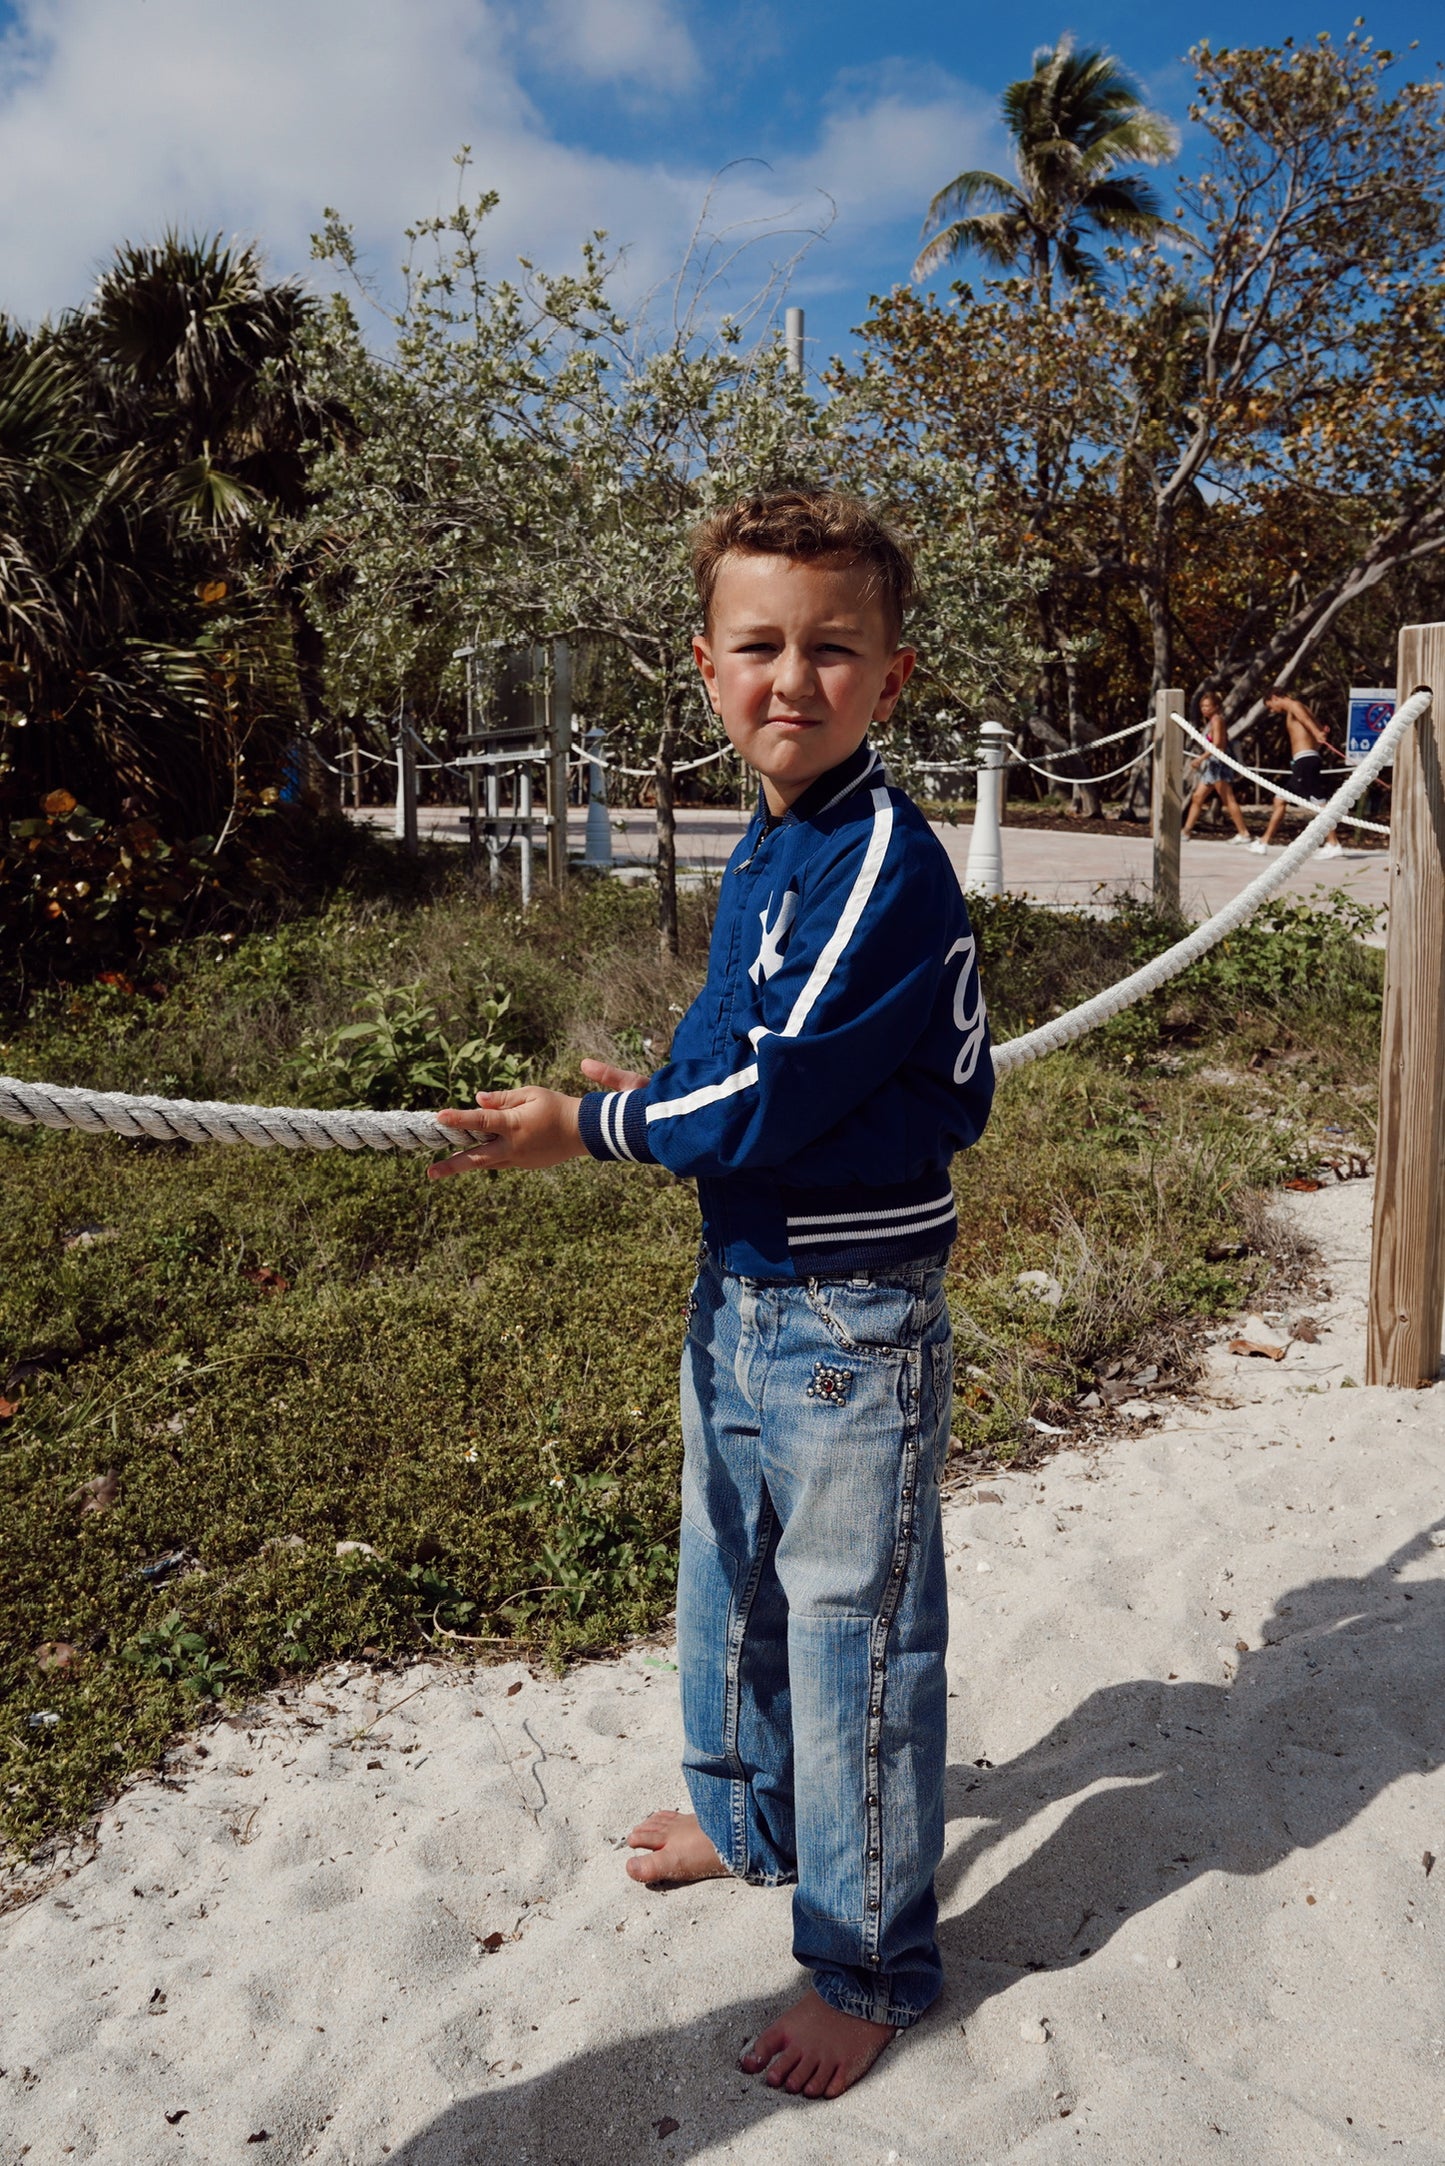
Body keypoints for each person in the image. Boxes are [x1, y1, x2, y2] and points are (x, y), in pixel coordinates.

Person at [429, 488, 994, 2101]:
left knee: (852, 1640)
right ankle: (753, 1822)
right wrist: (657, 1084)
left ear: (892, 679)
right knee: (729, 1579)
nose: (792, 680)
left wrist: (591, 1127)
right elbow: (734, 1040)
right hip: (748, 1284)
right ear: (705, 666)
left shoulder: (879, 851)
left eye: (834, 650)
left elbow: (785, 1086)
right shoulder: (779, 829)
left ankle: (867, 1965)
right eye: (760, 647)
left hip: (848, 1312)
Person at [1255, 688, 1343, 856]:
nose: (1272, 710)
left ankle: (1333, 844)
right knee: (1280, 799)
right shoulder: (1298, 708)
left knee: (1319, 803)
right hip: (1303, 761)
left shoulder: (1294, 706)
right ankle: (1263, 842)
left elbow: (1306, 722)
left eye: (1270, 707)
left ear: (1274, 698)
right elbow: (1316, 726)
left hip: (1306, 761)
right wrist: (1320, 731)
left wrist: (1317, 733)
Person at [1181, 689, 1253, 844]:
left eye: (1208, 706)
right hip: (1212, 764)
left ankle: (1244, 833)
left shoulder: (1217, 720)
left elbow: (1218, 744)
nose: (1204, 709)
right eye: (1202, 706)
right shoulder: (1213, 721)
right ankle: (1186, 832)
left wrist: (1200, 759)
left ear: (1216, 707)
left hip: (1218, 764)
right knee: (1197, 797)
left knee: (1228, 799)